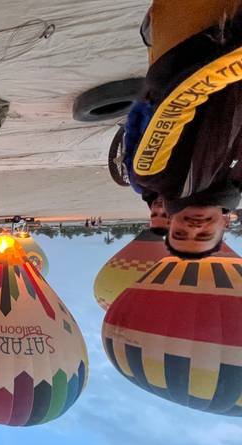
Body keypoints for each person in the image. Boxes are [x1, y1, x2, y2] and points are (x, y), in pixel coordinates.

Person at [124, 0, 242, 258]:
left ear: (171, 221)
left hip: (196, 35)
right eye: (203, 235)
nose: (195, 228)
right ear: (225, 224)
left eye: (180, 233)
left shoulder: (153, 175)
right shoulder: (237, 182)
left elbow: (180, 101)